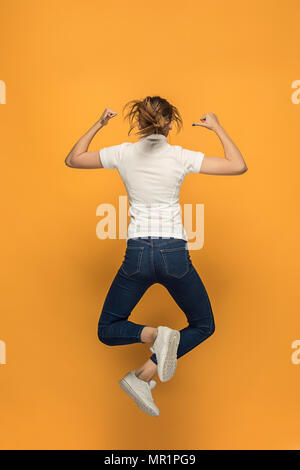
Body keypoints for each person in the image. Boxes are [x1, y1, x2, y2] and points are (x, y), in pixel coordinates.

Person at [65, 96, 247, 417]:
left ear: (138, 124)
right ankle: (149, 363)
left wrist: (99, 123)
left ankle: (150, 353)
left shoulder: (123, 152)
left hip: (136, 255)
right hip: (174, 254)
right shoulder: (179, 156)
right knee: (203, 325)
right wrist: (216, 126)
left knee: (107, 329)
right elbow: (237, 165)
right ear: (169, 125)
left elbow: (74, 158)